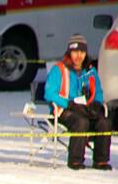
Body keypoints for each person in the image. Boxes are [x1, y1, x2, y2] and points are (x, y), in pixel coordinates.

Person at [43, 34, 111, 170]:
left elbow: (98, 91)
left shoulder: (90, 71)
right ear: (69, 52)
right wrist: (69, 104)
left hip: (86, 109)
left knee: (104, 122)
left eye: (82, 52)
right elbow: (49, 93)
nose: (78, 56)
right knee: (81, 122)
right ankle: (75, 160)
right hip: (64, 110)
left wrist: (96, 104)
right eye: (75, 52)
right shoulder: (59, 69)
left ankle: (101, 160)